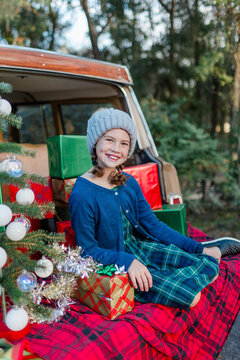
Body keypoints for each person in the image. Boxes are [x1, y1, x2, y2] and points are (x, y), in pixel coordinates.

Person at [69, 108, 231, 309]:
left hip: (142, 247)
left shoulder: (128, 182)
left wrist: (198, 248)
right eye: (109, 140)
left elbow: (153, 225)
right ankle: (164, 278)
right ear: (95, 143)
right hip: (116, 263)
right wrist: (127, 262)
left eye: (124, 143)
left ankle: (206, 250)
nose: (116, 149)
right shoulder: (83, 193)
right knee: (191, 297)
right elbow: (87, 250)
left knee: (208, 263)